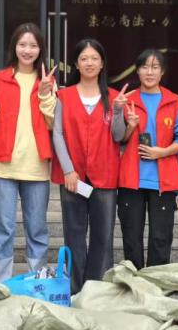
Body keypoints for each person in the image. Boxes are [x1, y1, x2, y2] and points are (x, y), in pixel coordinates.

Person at [0, 22, 57, 282]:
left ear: (40, 49)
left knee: (37, 230)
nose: (27, 50)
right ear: (14, 47)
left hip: (36, 167)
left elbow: (53, 123)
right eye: (22, 44)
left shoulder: (47, 81)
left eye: (33, 45)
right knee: (2, 231)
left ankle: (38, 283)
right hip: (3, 166)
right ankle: (0, 285)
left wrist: (45, 94)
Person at [52, 38, 127, 292]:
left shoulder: (114, 97)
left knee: (103, 236)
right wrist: (68, 170)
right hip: (73, 177)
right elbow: (57, 134)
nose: (89, 63)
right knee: (73, 234)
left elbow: (119, 136)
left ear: (102, 63)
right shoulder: (63, 96)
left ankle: (98, 289)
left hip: (105, 175)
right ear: (76, 63)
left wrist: (119, 111)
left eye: (94, 58)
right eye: (84, 58)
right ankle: (75, 289)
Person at [118, 48, 178, 268]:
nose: (149, 72)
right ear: (137, 71)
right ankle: (134, 281)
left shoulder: (176, 102)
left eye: (155, 67)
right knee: (131, 236)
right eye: (144, 67)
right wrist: (129, 127)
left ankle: (156, 282)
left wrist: (163, 152)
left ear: (162, 72)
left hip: (163, 179)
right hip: (131, 178)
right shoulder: (125, 101)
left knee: (161, 238)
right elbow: (118, 139)